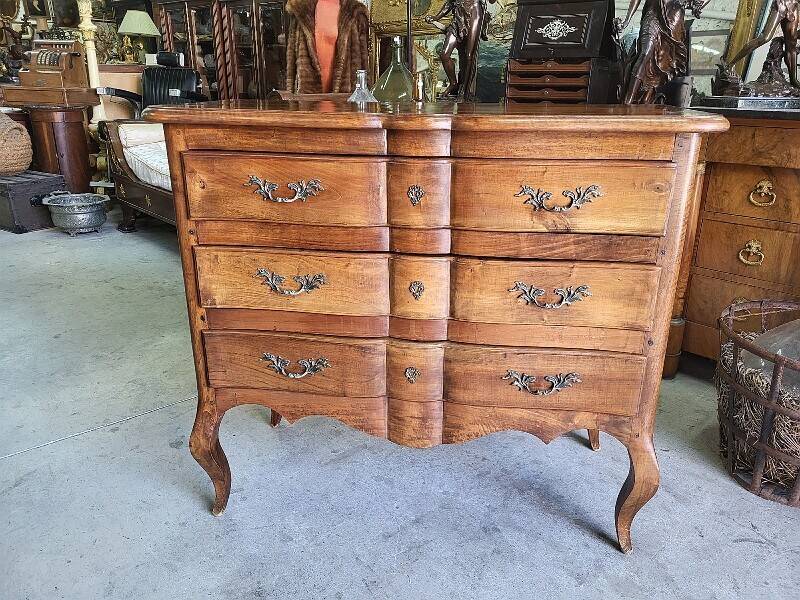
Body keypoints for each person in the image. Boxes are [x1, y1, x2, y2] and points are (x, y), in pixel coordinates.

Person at [425, 0, 494, 98]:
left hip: (474, 14)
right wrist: (437, 17)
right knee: (444, 55)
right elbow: (449, 3)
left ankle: (465, 90)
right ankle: (453, 83)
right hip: (458, 17)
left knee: (469, 55)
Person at [724, 0, 799, 89]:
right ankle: (731, 64)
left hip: (794, 6)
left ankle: (793, 79)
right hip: (782, 4)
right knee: (765, 38)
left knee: (791, 43)